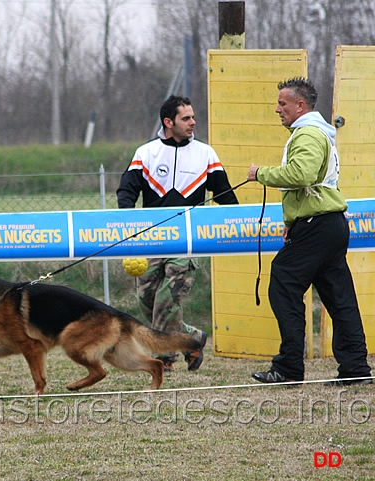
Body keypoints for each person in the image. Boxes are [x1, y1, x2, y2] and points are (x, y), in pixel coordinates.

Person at [247, 77, 372, 386]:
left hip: (318, 225)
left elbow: (301, 174)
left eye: (282, 104)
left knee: (283, 283)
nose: (278, 109)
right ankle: (355, 368)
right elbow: (317, 183)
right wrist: (294, 218)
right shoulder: (318, 133)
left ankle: (289, 368)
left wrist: (260, 174)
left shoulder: (307, 134)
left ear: (299, 105)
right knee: (338, 297)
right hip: (327, 223)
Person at [117, 95, 238, 372]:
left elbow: (225, 195)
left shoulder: (206, 154)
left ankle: (165, 359)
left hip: (187, 241)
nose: (193, 122)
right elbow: (126, 192)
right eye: (186, 118)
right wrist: (128, 223)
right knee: (147, 302)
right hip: (150, 240)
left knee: (166, 300)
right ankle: (193, 338)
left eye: (193, 117)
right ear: (168, 122)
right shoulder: (145, 153)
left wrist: (241, 220)